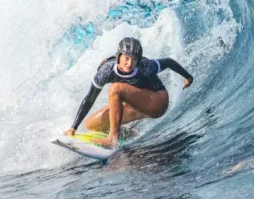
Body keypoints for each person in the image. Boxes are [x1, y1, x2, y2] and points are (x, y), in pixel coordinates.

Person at [63, 37, 194, 149]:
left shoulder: (145, 65)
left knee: (116, 88)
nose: (130, 63)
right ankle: (129, 134)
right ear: (118, 56)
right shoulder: (106, 71)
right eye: (126, 58)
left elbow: (168, 62)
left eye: (134, 59)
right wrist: (73, 128)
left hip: (157, 102)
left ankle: (112, 140)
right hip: (137, 103)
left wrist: (188, 77)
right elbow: (90, 98)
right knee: (92, 124)